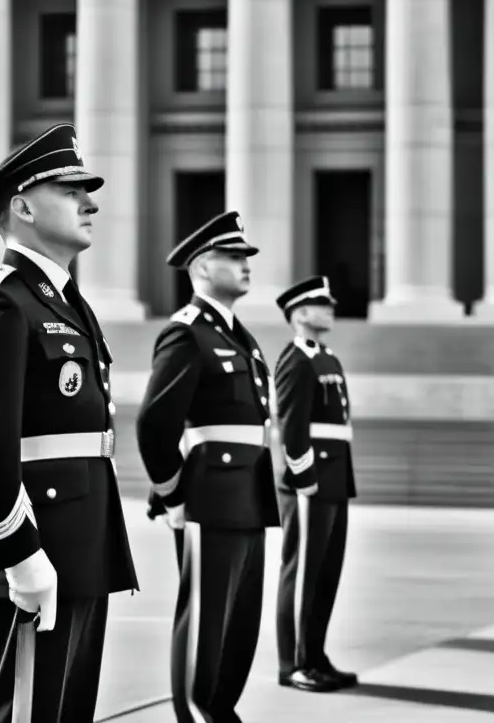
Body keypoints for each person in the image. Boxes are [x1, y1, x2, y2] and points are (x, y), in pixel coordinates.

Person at [0, 123, 138, 723]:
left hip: (80, 537)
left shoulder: (66, 301)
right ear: (23, 207)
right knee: (25, 712)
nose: (91, 202)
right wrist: (19, 553)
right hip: (37, 544)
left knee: (63, 710)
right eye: (70, 189)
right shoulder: (0, 299)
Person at [136, 211, 279, 723]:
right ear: (200, 267)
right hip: (207, 496)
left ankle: (221, 709)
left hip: (250, 492)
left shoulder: (243, 335)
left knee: (241, 619)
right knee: (206, 618)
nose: (244, 265)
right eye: (232, 257)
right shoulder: (187, 334)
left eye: (245, 257)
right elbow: (155, 427)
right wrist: (174, 495)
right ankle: (196, 711)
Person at [272, 276, 358, 693]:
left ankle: (316, 655)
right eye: (322, 304)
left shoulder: (328, 358)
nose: (331, 309)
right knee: (303, 571)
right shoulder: (296, 360)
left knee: (325, 572)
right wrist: (304, 479)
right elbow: (292, 428)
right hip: (310, 483)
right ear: (300, 314)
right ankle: (295, 664)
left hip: (335, 480)